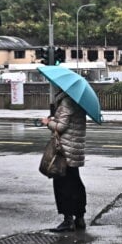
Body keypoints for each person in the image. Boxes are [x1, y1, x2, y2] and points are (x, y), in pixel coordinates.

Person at [41, 82, 87, 231]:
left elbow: (61, 127)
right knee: (76, 183)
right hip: (75, 150)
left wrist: (48, 123)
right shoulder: (79, 102)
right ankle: (79, 218)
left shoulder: (67, 101)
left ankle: (68, 220)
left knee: (62, 184)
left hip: (65, 152)